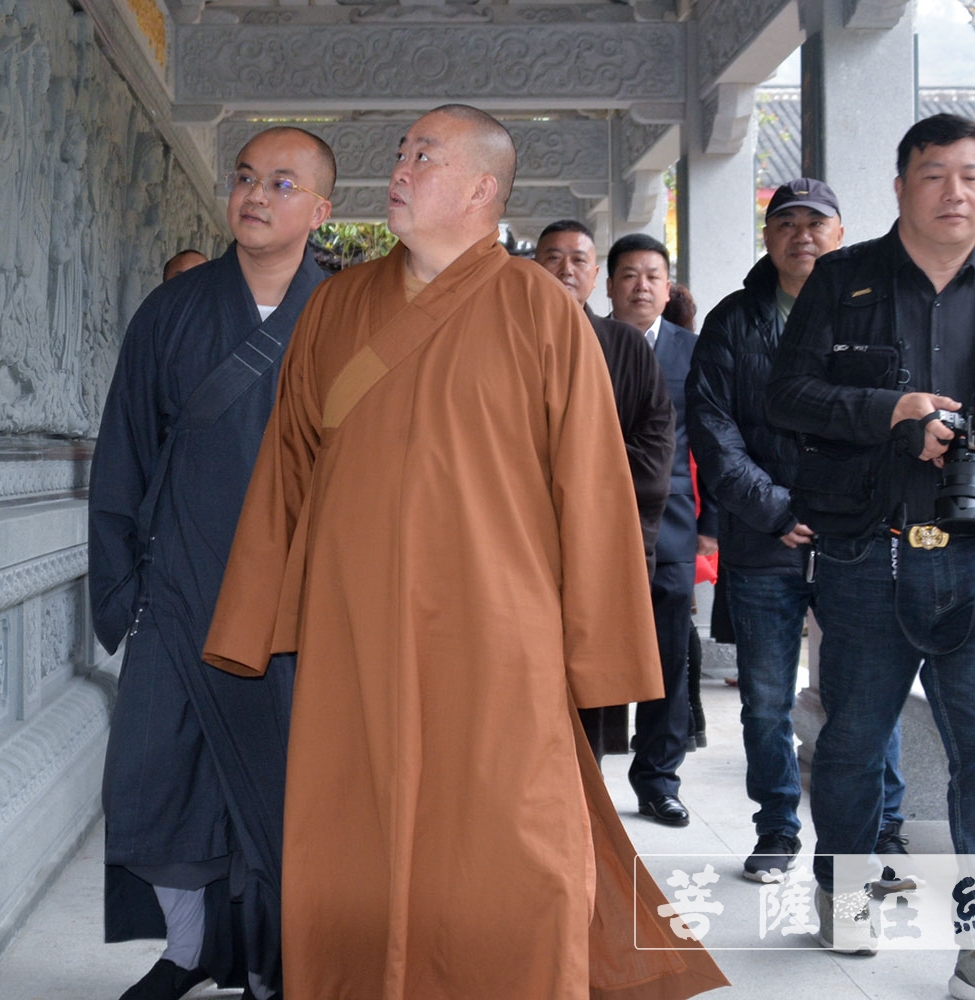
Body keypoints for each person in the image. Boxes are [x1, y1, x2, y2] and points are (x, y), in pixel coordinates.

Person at [204, 104, 726, 1000]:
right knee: (354, 826)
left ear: (483, 189)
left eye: (424, 157)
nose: (398, 171)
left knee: (509, 837)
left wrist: (598, 651)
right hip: (354, 623)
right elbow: (286, 464)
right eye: (401, 154)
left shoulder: (540, 310)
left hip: (497, 624)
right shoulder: (337, 305)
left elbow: (593, 490)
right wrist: (255, 615)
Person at [767, 115, 975, 999]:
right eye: (935, 175)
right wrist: (892, 411)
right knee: (857, 739)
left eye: (972, 176)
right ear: (901, 187)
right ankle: (846, 895)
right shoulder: (844, 280)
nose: (956, 193)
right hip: (871, 551)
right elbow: (789, 395)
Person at [89, 126, 335, 1000]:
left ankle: (278, 968)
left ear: (320, 208)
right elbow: (122, 452)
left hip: (297, 608)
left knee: (281, 800)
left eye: (280, 180)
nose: (255, 194)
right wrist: (124, 593)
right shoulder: (173, 312)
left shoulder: (346, 318)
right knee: (153, 784)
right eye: (243, 177)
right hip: (183, 587)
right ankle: (187, 950)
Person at [688, 177, 913, 882]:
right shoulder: (733, 321)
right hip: (766, 542)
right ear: (768, 237)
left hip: (858, 541)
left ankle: (885, 830)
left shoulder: (879, 318)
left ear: (841, 235)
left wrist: (858, 510)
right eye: (786, 223)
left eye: (817, 224)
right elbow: (714, 432)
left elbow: (900, 420)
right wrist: (777, 510)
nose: (802, 235)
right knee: (764, 698)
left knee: (869, 693)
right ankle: (778, 826)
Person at [535, 219, 675, 757]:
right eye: (553, 258)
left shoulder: (626, 346)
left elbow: (653, 446)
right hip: (521, 544)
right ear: (532, 269)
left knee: (588, 683)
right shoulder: (504, 341)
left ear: (596, 276)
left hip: (600, 546)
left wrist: (575, 490)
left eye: (578, 260)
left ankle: (587, 816)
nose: (565, 269)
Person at [607, 233, 717, 828]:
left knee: (667, 655)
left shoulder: (693, 351)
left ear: (667, 286)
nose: (641, 285)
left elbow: (713, 439)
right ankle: (588, 772)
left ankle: (657, 779)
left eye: (652, 275)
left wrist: (712, 525)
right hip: (593, 524)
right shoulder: (583, 342)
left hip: (670, 525)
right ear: (610, 285)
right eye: (629, 275)